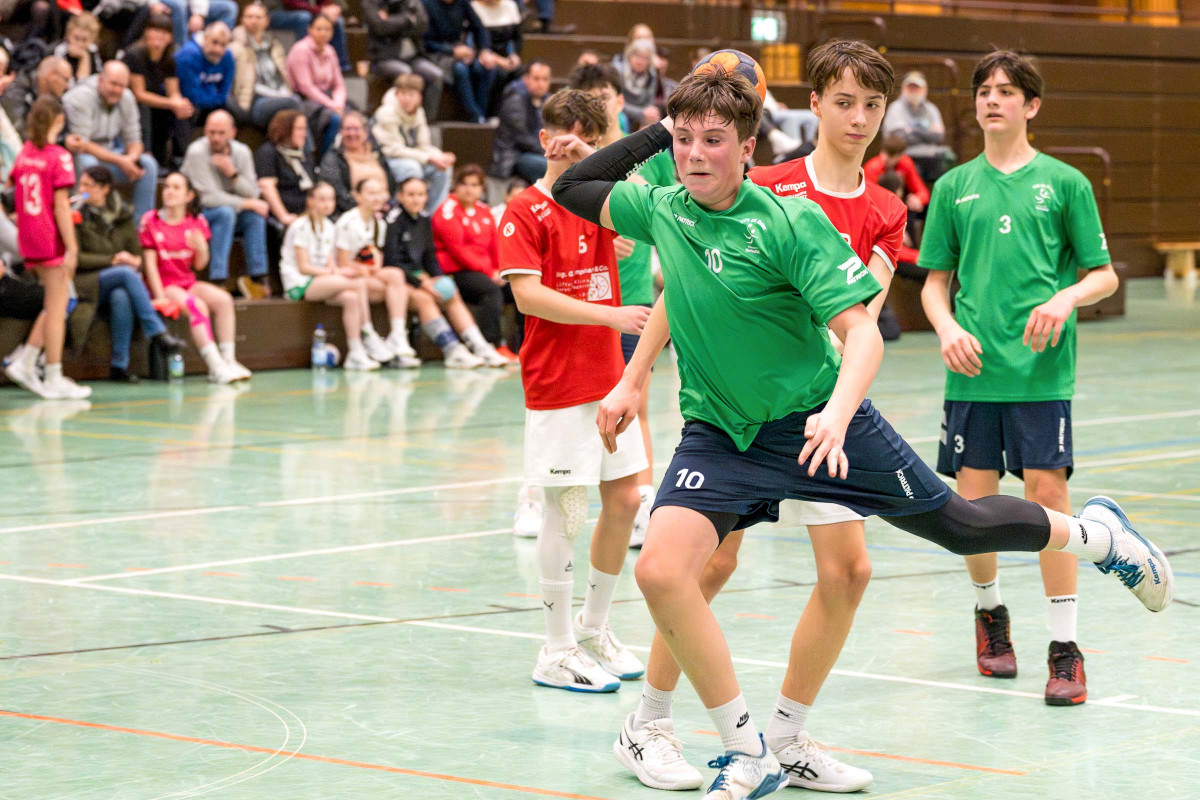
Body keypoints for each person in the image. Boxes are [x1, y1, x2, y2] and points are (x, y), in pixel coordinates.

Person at [551, 67, 1173, 799]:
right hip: (721, 433)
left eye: (712, 140)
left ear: (747, 147)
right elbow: (574, 187)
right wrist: (667, 123)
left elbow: (864, 332)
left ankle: (1098, 536)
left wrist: (838, 413)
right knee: (663, 571)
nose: (693, 155)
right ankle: (746, 750)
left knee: (960, 526)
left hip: (817, 420)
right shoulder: (664, 207)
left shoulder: (790, 223)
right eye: (683, 141)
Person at [609, 40, 907, 793]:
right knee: (704, 565)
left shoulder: (886, 210)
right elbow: (684, 284)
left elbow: (862, 316)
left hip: (822, 408)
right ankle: (649, 722)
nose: (857, 118)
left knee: (849, 570)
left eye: (871, 105)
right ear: (814, 105)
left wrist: (841, 399)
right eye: (843, 101)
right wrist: (635, 375)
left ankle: (789, 737)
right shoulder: (761, 182)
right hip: (740, 414)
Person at [919, 50, 1121, 706]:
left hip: (1041, 371)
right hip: (973, 373)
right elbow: (934, 285)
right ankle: (991, 617)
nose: (992, 100)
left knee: (1048, 499)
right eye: (984, 90)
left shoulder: (1065, 183)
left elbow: (1103, 274)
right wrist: (946, 328)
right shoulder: (953, 187)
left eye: (1007, 91)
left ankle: (1065, 647)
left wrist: (1065, 298)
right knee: (971, 510)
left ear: (1031, 105)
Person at [498, 88, 651, 693]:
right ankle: (555, 647)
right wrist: (611, 316)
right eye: (566, 135)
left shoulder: (600, 204)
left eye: (590, 137)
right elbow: (527, 296)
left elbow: (648, 207)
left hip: (608, 379)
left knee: (625, 500)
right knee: (565, 509)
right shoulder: (522, 209)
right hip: (559, 381)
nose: (575, 145)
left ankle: (593, 628)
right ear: (542, 138)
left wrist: (594, 160)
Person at [568, 61, 675, 548]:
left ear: (618, 98)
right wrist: (601, 240)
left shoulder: (649, 152)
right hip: (585, 304)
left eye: (606, 95)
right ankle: (542, 493)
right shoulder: (576, 159)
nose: (602, 104)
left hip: (633, 302)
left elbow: (669, 207)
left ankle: (643, 501)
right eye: (591, 98)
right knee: (573, 408)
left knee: (639, 406)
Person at [8, 95, 90, 400]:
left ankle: (26, 362)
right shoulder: (59, 156)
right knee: (58, 308)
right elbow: (60, 206)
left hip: (27, 235)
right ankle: (53, 374)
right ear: (59, 120)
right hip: (48, 235)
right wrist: (72, 247)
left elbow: (14, 189)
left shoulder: (25, 153)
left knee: (55, 302)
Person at [75, 165, 185, 381]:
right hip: (84, 280)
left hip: (117, 280)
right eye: (82, 184)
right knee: (125, 274)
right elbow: (76, 259)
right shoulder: (77, 214)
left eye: (88, 185)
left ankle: (119, 366)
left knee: (122, 296)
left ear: (105, 189)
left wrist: (134, 260)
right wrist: (113, 260)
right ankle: (158, 332)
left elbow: (137, 256)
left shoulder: (123, 215)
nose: (82, 189)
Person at [384, 175, 509, 366]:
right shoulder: (393, 220)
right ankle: (451, 349)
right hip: (399, 279)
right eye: (410, 195)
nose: (416, 199)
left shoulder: (424, 219)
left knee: (450, 292)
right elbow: (391, 260)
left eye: (420, 194)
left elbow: (430, 256)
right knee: (424, 299)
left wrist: (439, 278)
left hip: (420, 277)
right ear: (400, 196)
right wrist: (422, 282)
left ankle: (481, 346)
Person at [140, 171, 250, 383]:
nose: (169, 192)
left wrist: (203, 249)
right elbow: (150, 266)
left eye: (176, 188)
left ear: (188, 195)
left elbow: (199, 265)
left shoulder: (196, 222)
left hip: (186, 281)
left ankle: (229, 360)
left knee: (224, 300)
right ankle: (215, 366)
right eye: (167, 187)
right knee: (197, 306)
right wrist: (160, 297)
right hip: (164, 284)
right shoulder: (151, 220)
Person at [281, 181, 382, 370]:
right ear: (310, 201)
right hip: (299, 283)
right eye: (322, 199)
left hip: (321, 281)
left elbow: (329, 263)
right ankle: (368, 331)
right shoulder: (300, 226)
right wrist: (336, 272)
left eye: (331, 199)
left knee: (351, 298)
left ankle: (355, 352)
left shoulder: (329, 226)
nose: (328, 204)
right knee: (357, 282)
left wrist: (337, 271)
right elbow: (304, 267)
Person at [180, 109, 271, 297]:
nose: (216, 138)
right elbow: (208, 198)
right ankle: (218, 279)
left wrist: (233, 174)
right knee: (225, 212)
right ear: (205, 131)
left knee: (254, 216)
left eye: (221, 133)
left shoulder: (242, 152)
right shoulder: (197, 152)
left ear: (232, 133)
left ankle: (257, 278)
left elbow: (253, 192)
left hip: (231, 214)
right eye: (211, 132)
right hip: (200, 215)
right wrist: (248, 203)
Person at [334, 174, 422, 367]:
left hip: (368, 274)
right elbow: (342, 262)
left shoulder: (379, 223)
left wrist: (374, 266)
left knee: (396, 275)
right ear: (358, 196)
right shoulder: (348, 222)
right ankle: (369, 335)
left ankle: (397, 335)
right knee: (396, 290)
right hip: (349, 276)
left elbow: (376, 255)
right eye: (371, 193)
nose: (377, 198)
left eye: (380, 193)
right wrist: (361, 269)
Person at [62, 60, 160, 221]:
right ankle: (84, 219)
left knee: (148, 165)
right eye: (113, 84)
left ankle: (140, 225)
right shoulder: (80, 97)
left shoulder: (126, 97)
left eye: (122, 86)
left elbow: (134, 139)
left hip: (110, 154)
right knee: (89, 165)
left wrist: (131, 159)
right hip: (79, 157)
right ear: (100, 80)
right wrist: (121, 161)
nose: (117, 90)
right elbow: (82, 144)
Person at [432, 163, 507, 350]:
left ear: (482, 188)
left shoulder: (484, 210)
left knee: (517, 288)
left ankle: (525, 345)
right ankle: (492, 345)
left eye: (474, 185)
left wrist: (501, 270)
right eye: (464, 184)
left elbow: (494, 245)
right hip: (456, 272)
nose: (469, 189)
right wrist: (490, 272)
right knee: (490, 290)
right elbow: (458, 251)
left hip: (485, 271)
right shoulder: (447, 211)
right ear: (455, 186)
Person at [373, 74, 454, 212]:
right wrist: (429, 158)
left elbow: (424, 145)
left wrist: (441, 156)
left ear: (419, 98)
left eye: (411, 94)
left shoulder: (419, 113)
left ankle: (432, 214)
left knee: (443, 168)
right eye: (403, 93)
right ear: (396, 94)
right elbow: (394, 150)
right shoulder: (386, 113)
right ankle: (403, 212)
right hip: (387, 159)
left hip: (412, 156)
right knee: (412, 168)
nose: (406, 99)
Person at [124, 14, 194, 169]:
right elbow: (139, 94)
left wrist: (180, 104)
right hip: (132, 102)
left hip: (155, 100)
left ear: (170, 37)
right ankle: (147, 155)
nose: (159, 35)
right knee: (146, 108)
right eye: (155, 30)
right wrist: (171, 103)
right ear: (146, 32)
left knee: (184, 109)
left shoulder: (169, 57)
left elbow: (173, 91)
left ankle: (180, 158)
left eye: (164, 32)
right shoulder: (134, 54)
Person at [421, 0, 500, 124]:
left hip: (461, 49)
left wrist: (485, 50)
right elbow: (424, 43)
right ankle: (475, 116)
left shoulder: (462, 2)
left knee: (486, 67)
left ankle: (482, 114)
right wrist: (452, 50)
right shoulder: (427, 4)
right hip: (436, 53)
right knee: (460, 69)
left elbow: (479, 27)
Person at [363, 0, 443, 121]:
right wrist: (408, 19)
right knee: (405, 73)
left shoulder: (412, 2)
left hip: (413, 57)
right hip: (384, 58)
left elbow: (423, 25)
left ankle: (425, 120)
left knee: (436, 75)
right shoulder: (372, 2)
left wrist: (391, 22)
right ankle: (399, 119)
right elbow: (380, 27)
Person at [229, 2, 301, 132]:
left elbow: (283, 74)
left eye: (258, 17)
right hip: (254, 101)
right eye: (249, 17)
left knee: (293, 114)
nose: (253, 21)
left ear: (266, 21)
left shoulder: (273, 44)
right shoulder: (235, 47)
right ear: (242, 20)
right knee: (294, 103)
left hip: (279, 95)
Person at [285, 14, 346, 158]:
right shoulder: (300, 49)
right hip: (306, 100)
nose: (323, 33)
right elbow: (306, 87)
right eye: (319, 29)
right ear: (310, 29)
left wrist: (339, 104)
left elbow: (339, 84)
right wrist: (333, 106)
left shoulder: (330, 50)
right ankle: (324, 160)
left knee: (354, 117)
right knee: (334, 119)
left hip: (328, 99)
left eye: (327, 29)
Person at [318, 110, 396, 215]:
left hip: (386, 209)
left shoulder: (377, 153)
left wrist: (388, 205)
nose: (351, 133)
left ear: (365, 132)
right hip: (354, 213)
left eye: (356, 129)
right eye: (347, 129)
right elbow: (338, 194)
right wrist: (365, 210)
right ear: (340, 132)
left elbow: (392, 183)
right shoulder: (333, 158)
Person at [882, 70, 953, 183]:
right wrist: (927, 132)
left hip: (931, 156)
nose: (913, 91)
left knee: (949, 159)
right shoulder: (895, 108)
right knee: (912, 170)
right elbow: (898, 139)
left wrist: (912, 131)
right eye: (910, 87)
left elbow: (939, 136)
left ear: (925, 89)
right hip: (904, 156)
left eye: (917, 87)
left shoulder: (931, 109)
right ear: (903, 88)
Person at [489, 60, 550, 184]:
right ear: (526, 79)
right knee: (547, 165)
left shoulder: (548, 100)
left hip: (537, 151)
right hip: (514, 155)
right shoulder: (514, 99)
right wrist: (549, 150)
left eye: (545, 79)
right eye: (536, 79)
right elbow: (523, 139)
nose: (541, 84)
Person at [255, 108, 317, 228]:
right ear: (285, 129)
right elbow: (266, 186)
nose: (304, 134)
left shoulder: (305, 154)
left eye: (305, 129)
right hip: (285, 215)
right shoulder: (269, 152)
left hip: (309, 213)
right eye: (299, 129)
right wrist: (284, 216)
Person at [268, 0, 351, 75]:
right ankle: (303, 64)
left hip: (310, 10)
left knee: (338, 20)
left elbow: (326, 3)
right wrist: (321, 10)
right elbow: (292, 4)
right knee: (304, 17)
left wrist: (331, 9)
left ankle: (340, 67)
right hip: (278, 12)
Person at [175, 21, 235, 124]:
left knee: (235, 112)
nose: (218, 49)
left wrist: (216, 100)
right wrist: (216, 99)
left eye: (223, 45)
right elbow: (190, 94)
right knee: (187, 109)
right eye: (214, 42)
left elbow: (224, 91)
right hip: (185, 103)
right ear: (205, 38)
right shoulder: (189, 55)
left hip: (210, 101)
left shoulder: (227, 56)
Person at [864, 134, 929, 214]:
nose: (885, 158)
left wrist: (918, 199)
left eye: (891, 156)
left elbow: (922, 191)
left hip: (899, 205)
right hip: (877, 207)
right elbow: (867, 197)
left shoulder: (905, 163)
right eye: (884, 153)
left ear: (900, 155)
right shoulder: (872, 168)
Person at [54, 13, 103, 87]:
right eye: (76, 38)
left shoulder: (93, 50)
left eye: (84, 40)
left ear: (92, 39)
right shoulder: (60, 51)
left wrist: (84, 57)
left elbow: (98, 81)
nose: (79, 44)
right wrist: (84, 57)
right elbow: (73, 87)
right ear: (68, 34)